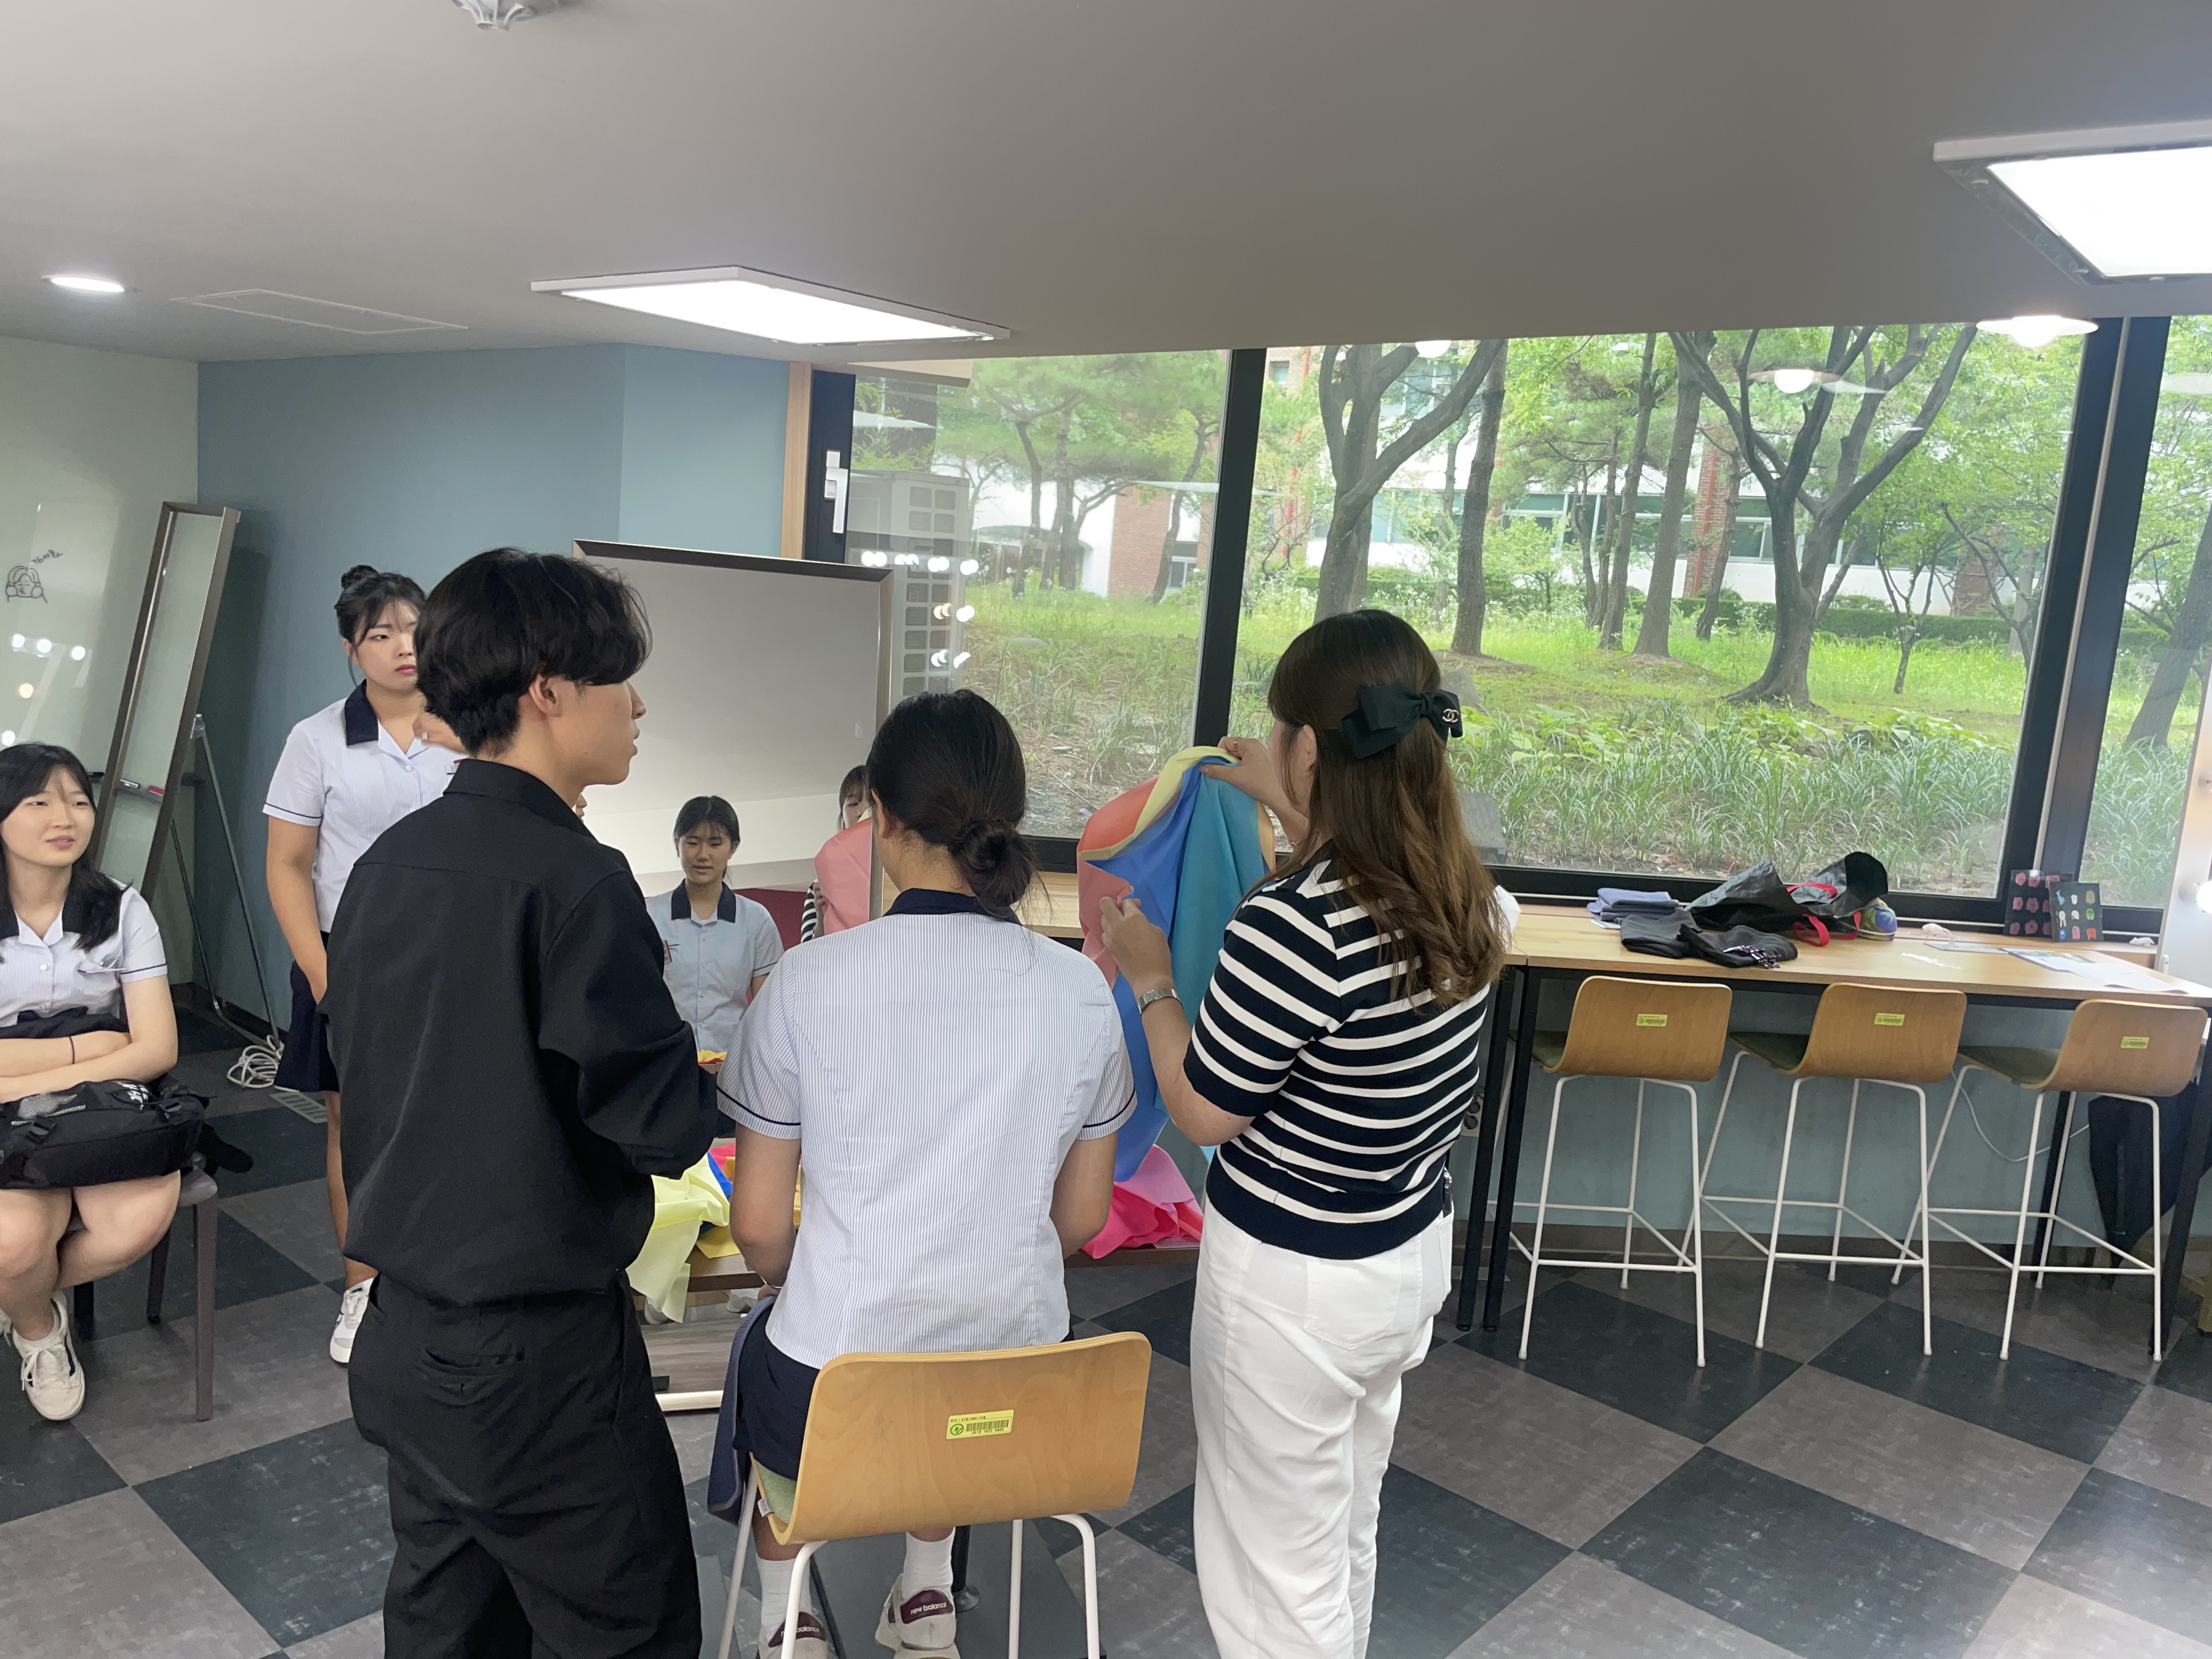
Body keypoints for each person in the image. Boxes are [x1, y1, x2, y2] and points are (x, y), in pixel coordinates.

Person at [1097, 610, 1518, 1659]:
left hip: (1293, 1289)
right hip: (1402, 1255)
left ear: (1309, 749)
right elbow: (1356, 879)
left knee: (1272, 1585)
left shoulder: (1289, 925)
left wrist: (1151, 976)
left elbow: (1203, 1109)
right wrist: (1286, 797)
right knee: (1338, 1526)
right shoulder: (1474, 900)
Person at [325, 548, 721, 1659]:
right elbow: (655, 1125)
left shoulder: (388, 864)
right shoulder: (579, 881)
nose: (637, 705)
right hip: (536, 1362)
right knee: (625, 1629)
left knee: (451, 1624)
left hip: (407, 1330)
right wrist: (703, 1075)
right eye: (618, 679)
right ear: (547, 689)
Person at [722, 690, 1130, 1659]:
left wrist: (796, 1279)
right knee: (953, 1382)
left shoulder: (807, 982)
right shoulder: (1080, 989)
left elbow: (760, 1226)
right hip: (1022, 1390)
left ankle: (786, 1617)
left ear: (882, 819)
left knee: (769, 1355)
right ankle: (926, 1594)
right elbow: (1081, 1218)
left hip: (840, 1384)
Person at [263, 566, 462, 1363]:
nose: (403, 646)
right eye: (381, 634)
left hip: (456, 956)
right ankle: (362, 1287)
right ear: (353, 649)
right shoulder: (316, 740)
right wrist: (324, 978)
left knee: (457, 1118)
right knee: (357, 1127)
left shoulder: (469, 725)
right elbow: (288, 865)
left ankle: (444, 1275)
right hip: (351, 959)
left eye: (414, 628)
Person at [0, 743, 179, 1421]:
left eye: (78, 800)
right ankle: (38, 1328)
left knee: (136, 1223)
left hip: (101, 1104)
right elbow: (129, 1046)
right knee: (13, 1242)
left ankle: (19, 1293)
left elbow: (157, 1048)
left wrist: (40, 1068)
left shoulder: (121, 910)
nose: (64, 817)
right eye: (38, 801)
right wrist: (97, 1045)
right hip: (39, 1101)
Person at [654, 795, 783, 1070]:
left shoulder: (755, 920)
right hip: (665, 1066)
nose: (703, 855)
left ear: (732, 848)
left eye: (715, 844)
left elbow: (768, 1011)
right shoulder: (650, 915)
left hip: (733, 1067)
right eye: (692, 842)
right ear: (677, 845)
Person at [798, 764, 870, 941]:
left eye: (872, 803)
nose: (861, 812)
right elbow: (806, 950)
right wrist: (822, 921)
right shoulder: (820, 887)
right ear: (843, 819)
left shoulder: (897, 877)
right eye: (853, 804)